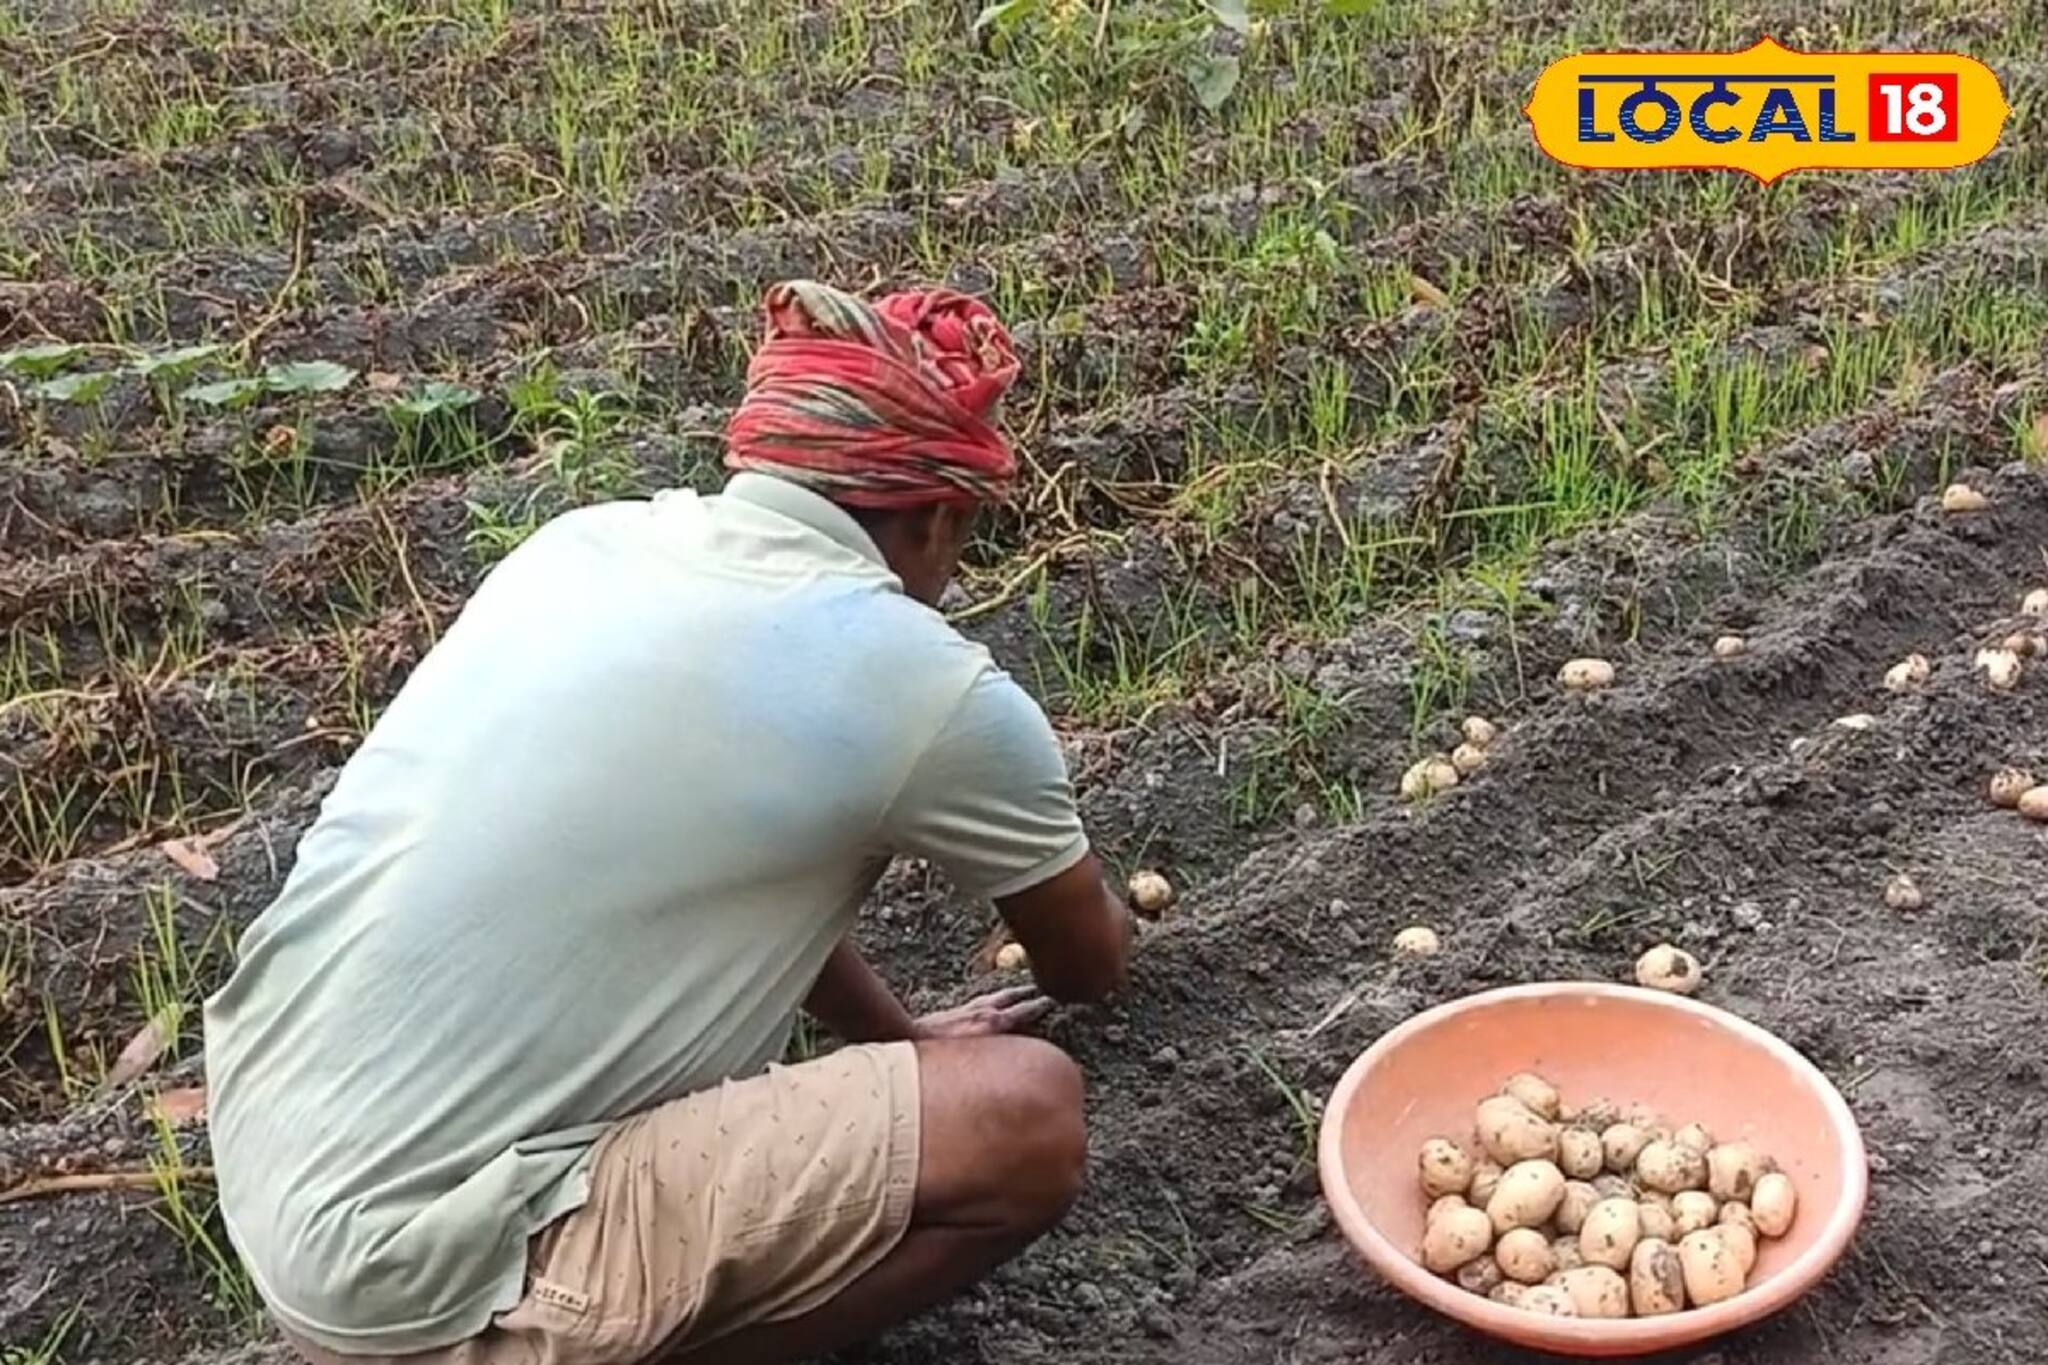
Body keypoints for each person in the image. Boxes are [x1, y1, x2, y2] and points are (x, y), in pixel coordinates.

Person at [203, 280, 1136, 1365]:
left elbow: (732, 861)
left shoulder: (583, 546)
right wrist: (1095, 903)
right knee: (1023, 1117)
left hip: (277, 1149)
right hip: (418, 1287)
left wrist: (902, 1039)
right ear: (940, 517)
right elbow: (1084, 967)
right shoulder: (927, 689)